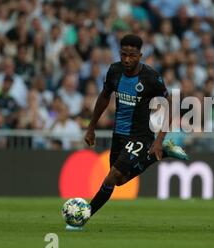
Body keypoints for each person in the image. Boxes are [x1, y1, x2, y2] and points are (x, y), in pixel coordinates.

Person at [66, 34, 189, 230]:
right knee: (120, 180)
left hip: (140, 135)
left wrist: (159, 139)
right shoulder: (114, 71)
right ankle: (162, 153)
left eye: (132, 55)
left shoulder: (151, 77)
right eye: (123, 54)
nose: (127, 59)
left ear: (140, 55)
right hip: (119, 134)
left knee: (112, 176)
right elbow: (104, 96)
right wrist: (91, 127)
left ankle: (83, 216)